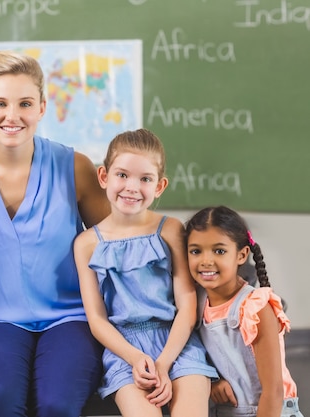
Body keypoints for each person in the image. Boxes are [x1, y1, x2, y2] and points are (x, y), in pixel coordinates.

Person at [0, 49, 110, 417]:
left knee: (57, 403)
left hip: (70, 318)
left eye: (25, 104)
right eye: (0, 103)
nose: (12, 116)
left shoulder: (74, 167)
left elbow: (114, 242)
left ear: (43, 108)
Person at [73, 128, 218, 417]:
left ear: (160, 186)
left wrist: (164, 363)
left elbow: (187, 306)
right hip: (124, 351)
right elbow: (97, 320)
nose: (132, 187)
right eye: (122, 175)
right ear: (104, 176)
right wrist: (137, 359)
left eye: (145, 179)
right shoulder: (86, 243)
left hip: (176, 343)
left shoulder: (171, 229)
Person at [185, 206, 304, 417]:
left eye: (219, 251)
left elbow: (273, 392)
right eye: (196, 251)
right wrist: (214, 380)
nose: (205, 260)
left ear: (241, 255)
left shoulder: (255, 307)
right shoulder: (196, 303)